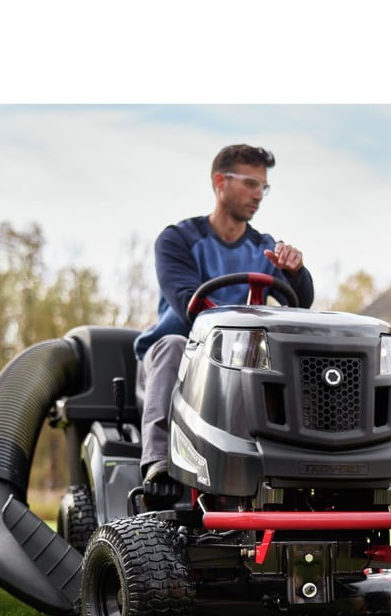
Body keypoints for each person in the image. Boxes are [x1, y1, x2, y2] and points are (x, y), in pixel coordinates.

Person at [134, 144, 314, 508]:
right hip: (179, 360)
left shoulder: (266, 247)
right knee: (171, 345)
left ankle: (303, 470)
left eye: (264, 186)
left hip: (242, 363)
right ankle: (158, 464)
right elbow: (189, 304)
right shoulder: (178, 240)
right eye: (250, 183)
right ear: (220, 182)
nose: (258, 194)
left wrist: (296, 272)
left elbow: (301, 303)